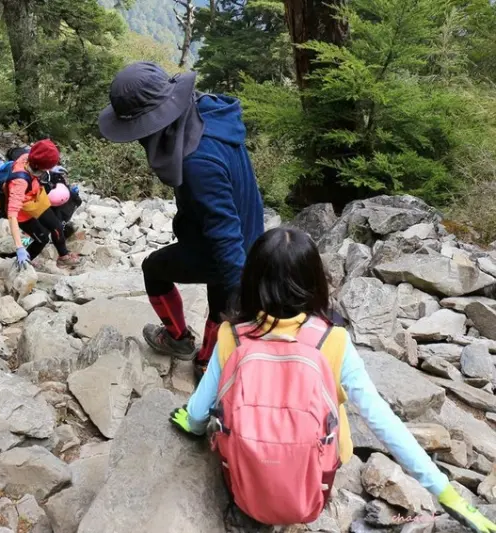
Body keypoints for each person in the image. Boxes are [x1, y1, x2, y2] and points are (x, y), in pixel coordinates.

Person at [168, 227, 496, 533]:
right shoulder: (334, 341)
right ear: (315, 283)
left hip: (247, 480)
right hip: (314, 483)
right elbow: (384, 422)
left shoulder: (231, 336)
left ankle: (246, 514)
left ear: (251, 280)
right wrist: (447, 494)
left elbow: (197, 414)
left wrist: (193, 425)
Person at [98, 62, 265, 382]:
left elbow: (224, 238)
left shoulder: (196, 161)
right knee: (219, 292)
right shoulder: (206, 111)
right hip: (250, 232)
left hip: (227, 247)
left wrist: (245, 310)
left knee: (155, 269)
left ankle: (180, 340)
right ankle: (208, 360)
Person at [4, 139, 81, 269]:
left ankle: (63, 256)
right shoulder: (20, 182)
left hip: (37, 198)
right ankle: (21, 262)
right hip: (23, 212)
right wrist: (19, 246)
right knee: (42, 239)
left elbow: (41, 152)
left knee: (56, 226)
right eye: (48, 167)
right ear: (40, 167)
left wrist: (53, 169)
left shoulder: (28, 157)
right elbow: (12, 214)